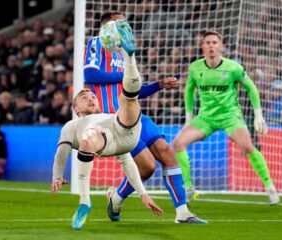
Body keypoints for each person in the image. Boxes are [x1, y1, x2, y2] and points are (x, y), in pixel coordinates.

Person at [84, 13, 206, 224]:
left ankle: (183, 213)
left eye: (125, 23)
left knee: (167, 152)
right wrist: (125, 77)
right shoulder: (96, 43)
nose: (125, 26)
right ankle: (117, 197)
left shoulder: (124, 53)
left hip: (135, 115)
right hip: (114, 122)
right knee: (147, 167)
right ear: (106, 27)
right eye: (119, 22)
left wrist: (158, 85)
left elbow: (134, 90)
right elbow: (90, 75)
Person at [52, 23, 163, 230]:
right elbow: (62, 152)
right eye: (84, 97)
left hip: (123, 130)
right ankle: (85, 201)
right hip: (101, 140)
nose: (91, 97)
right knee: (89, 136)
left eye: (93, 95)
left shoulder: (106, 114)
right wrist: (57, 176)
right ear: (76, 109)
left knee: (129, 99)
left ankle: (129, 56)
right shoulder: (72, 125)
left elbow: (127, 161)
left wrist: (143, 194)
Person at [172, 30, 280, 205]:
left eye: (215, 42)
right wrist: (188, 118)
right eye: (207, 43)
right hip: (206, 118)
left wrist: (258, 115)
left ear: (221, 46)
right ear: (202, 47)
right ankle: (188, 188)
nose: (211, 46)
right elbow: (189, 90)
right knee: (178, 143)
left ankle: (269, 186)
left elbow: (251, 88)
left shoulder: (233, 68)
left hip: (230, 116)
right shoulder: (195, 67)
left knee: (247, 147)